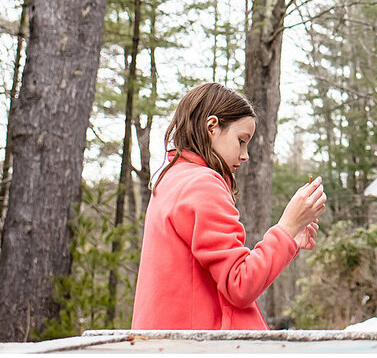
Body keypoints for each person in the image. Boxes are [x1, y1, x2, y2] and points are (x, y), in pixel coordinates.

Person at [131, 82, 326, 329]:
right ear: (212, 126)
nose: (245, 155)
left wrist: (290, 240)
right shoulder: (202, 184)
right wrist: (287, 227)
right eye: (241, 140)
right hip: (198, 346)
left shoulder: (171, 179)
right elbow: (240, 284)